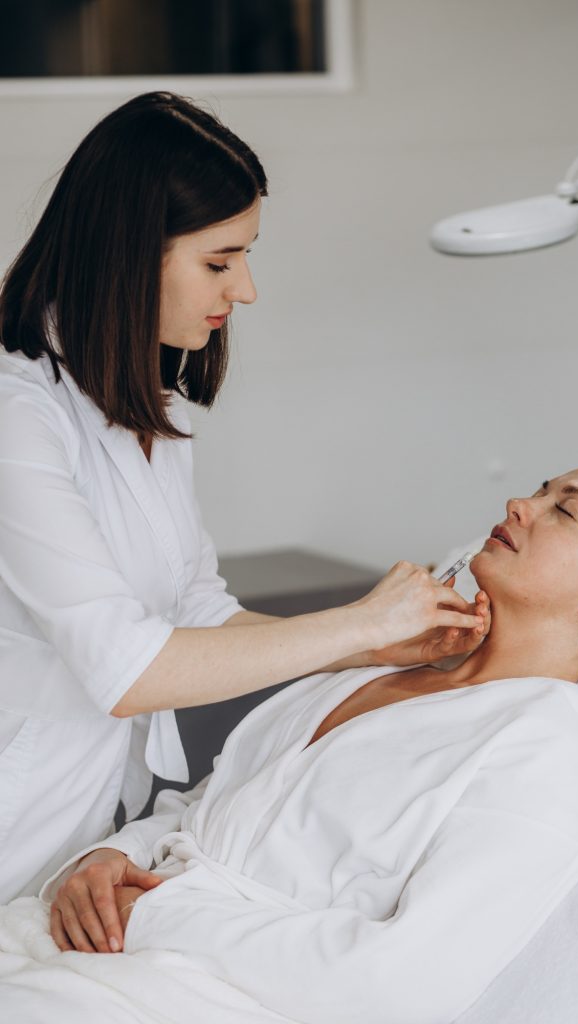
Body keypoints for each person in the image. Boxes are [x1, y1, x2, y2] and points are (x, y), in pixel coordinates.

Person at [0, 92, 489, 904]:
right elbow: (126, 668)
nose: (247, 289)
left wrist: (368, 650)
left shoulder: (149, 410)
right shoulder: (18, 420)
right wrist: (360, 622)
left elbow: (199, 610)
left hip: (78, 827)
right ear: (127, 253)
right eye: (220, 261)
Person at [2, 459, 578, 1024]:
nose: (520, 504)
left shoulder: (537, 758)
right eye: (540, 488)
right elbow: (213, 804)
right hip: (66, 939)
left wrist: (153, 914)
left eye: (565, 510)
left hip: (188, 998)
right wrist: (105, 860)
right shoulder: (388, 666)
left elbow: (402, 981)